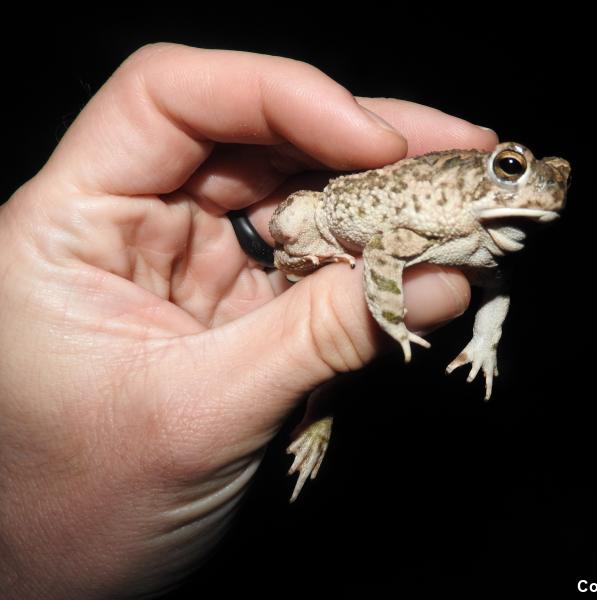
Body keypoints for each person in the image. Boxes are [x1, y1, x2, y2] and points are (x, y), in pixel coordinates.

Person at [0, 43, 496, 598]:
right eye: (510, 169)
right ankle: (310, 365)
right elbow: (384, 251)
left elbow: (493, 288)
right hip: (329, 219)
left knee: (320, 374)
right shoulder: (446, 222)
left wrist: (484, 341)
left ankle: (317, 417)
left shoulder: (479, 241)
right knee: (294, 231)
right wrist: (388, 318)